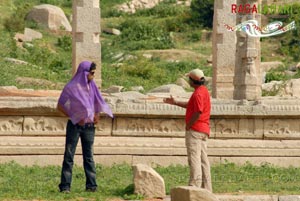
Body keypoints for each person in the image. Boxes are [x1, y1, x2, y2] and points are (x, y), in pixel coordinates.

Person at [57, 61, 113, 193]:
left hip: (89, 126)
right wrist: (75, 116)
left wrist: (97, 114)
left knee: (88, 156)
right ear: (85, 73)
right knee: (69, 155)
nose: (93, 76)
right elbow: (60, 106)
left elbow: (96, 102)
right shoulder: (72, 87)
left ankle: (91, 186)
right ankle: (65, 186)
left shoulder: (92, 86)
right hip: (75, 125)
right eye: (92, 73)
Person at [163, 69, 212, 192]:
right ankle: (206, 187)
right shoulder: (203, 91)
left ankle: (194, 186)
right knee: (203, 160)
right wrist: (175, 102)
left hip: (195, 130)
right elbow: (192, 106)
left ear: (192, 81)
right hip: (204, 129)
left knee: (194, 158)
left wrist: (189, 125)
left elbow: (198, 111)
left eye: (189, 79)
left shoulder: (197, 94)